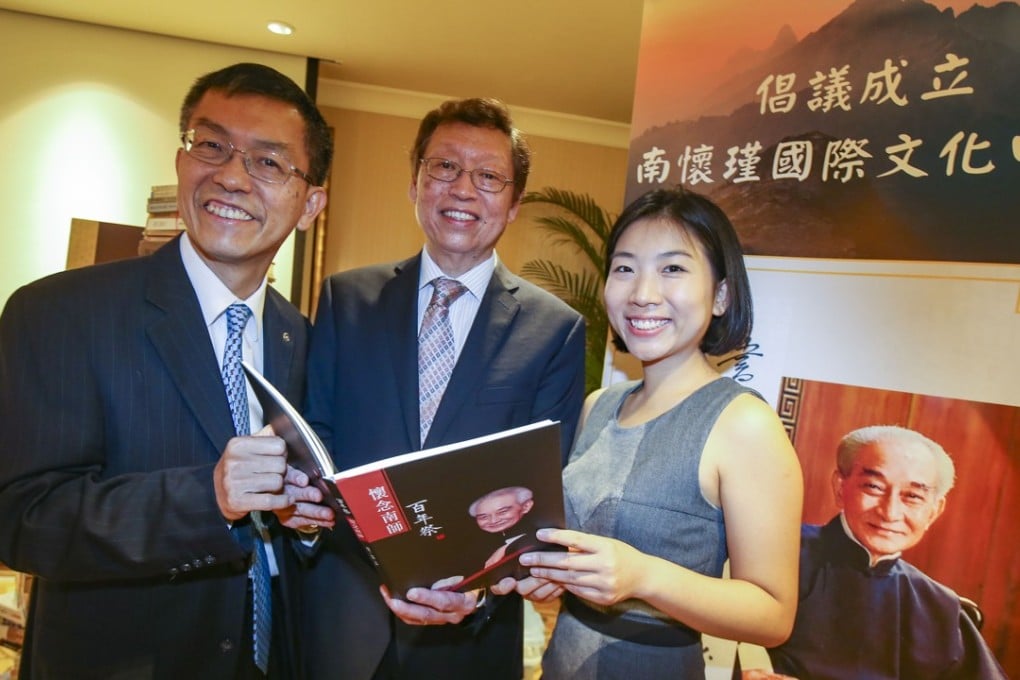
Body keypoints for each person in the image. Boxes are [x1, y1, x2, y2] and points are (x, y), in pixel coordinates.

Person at [0, 62, 332, 679]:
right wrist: (209, 497)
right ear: (181, 162)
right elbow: (23, 519)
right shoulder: (60, 313)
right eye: (212, 146)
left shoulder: (305, 338)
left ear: (310, 204)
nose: (231, 176)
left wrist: (304, 523)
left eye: (267, 162)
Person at [300, 97, 586, 679]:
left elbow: (542, 488)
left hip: (473, 636)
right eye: (445, 167)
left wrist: (478, 589)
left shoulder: (555, 330)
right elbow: (316, 441)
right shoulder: (345, 300)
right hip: (344, 618)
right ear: (415, 183)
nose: (462, 189)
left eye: (488, 177)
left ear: (513, 204)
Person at [502, 186, 803, 679]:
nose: (642, 293)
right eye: (624, 268)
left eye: (673, 269)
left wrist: (645, 577)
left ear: (721, 295)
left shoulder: (743, 424)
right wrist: (556, 574)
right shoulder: (599, 405)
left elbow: (773, 615)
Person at [762, 425, 1007, 679]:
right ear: (840, 487)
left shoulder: (940, 606)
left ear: (934, 511)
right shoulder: (773, 553)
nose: (890, 512)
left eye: (913, 496)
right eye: (874, 487)